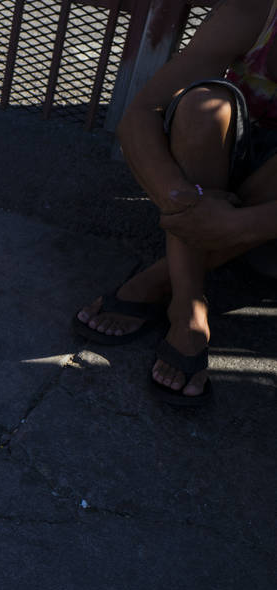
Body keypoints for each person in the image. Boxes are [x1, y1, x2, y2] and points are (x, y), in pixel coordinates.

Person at [73, 0, 277, 405]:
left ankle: (160, 279)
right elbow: (141, 116)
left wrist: (241, 225)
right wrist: (181, 200)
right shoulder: (259, 8)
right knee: (202, 108)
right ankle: (186, 307)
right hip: (220, 179)